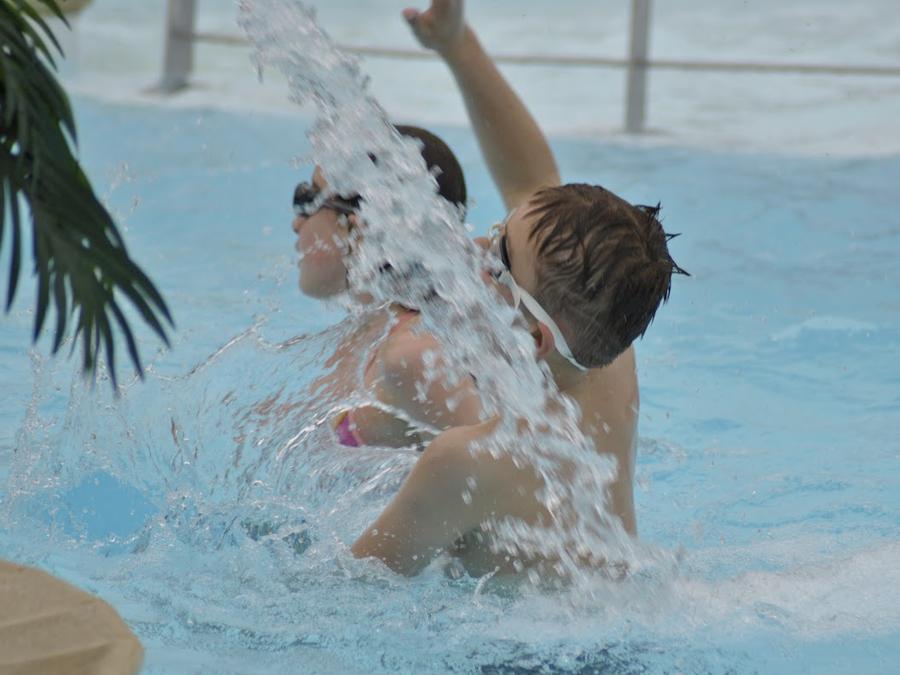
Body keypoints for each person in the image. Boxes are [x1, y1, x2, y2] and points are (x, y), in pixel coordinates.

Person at [345, 0, 687, 577]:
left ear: (533, 337)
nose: (480, 246)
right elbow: (532, 178)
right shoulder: (605, 355)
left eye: (500, 255)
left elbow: (352, 586)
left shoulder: (467, 461)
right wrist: (458, 46)